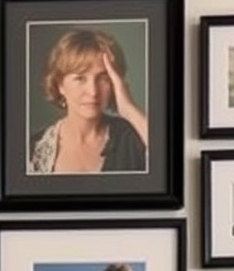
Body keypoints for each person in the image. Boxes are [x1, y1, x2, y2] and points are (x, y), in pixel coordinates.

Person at [29, 28, 148, 175]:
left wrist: (129, 109)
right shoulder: (32, 150)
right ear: (60, 85)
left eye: (103, 78)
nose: (93, 91)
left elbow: (172, 159)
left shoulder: (134, 137)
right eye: (80, 78)